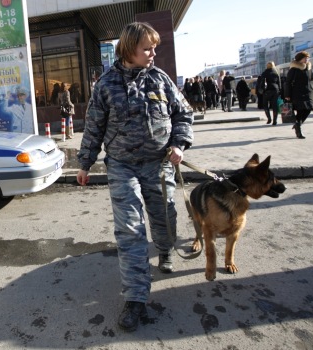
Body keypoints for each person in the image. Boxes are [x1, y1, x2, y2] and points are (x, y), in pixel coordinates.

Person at [76, 22, 193, 333]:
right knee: (130, 229)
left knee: (164, 215)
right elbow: (93, 128)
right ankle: (136, 299)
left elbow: (184, 113)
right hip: (121, 165)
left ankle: (166, 248)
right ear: (129, 50)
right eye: (147, 48)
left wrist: (179, 144)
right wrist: (85, 164)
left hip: (158, 163)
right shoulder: (105, 85)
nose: (153, 53)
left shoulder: (160, 79)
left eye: (154, 47)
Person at [285, 51, 313, 139]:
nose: (307, 60)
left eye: (307, 58)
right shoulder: (293, 70)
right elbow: (288, 83)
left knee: (308, 109)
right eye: (305, 58)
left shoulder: (307, 68)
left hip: (306, 92)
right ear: (300, 59)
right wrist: (287, 94)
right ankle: (299, 131)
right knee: (300, 111)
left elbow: (309, 79)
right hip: (296, 93)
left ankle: (298, 124)